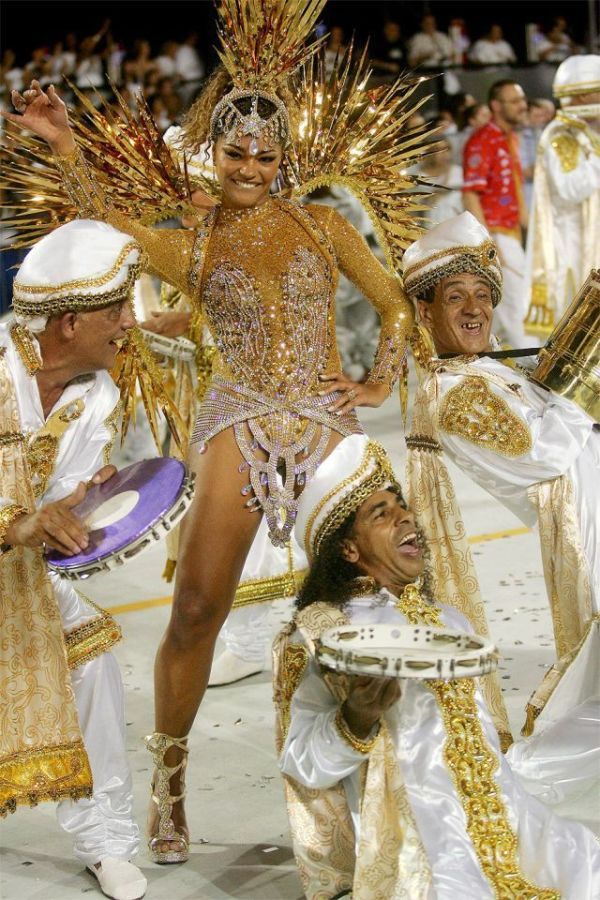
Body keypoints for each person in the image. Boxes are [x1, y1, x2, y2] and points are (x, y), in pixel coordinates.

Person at [5, 0, 415, 864]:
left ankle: (393, 766)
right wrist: (67, 148)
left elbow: (392, 303)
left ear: (284, 157)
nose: (253, 167)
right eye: (237, 152)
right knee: (194, 609)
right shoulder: (192, 244)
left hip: (326, 418)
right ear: (215, 152)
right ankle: (169, 787)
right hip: (236, 416)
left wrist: (376, 382)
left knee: (385, 589)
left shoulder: (323, 222)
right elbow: (109, 227)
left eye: (267, 155)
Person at [274, 434, 600, 899]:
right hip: (421, 844)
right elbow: (302, 762)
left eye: (400, 505)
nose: (405, 516)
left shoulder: (448, 619)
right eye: (380, 514)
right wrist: (356, 720)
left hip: (506, 818)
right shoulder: (327, 632)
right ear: (348, 550)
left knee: (586, 863)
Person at [402, 211, 599, 768]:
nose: (474, 309)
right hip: (589, 535)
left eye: (483, 294)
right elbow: (540, 450)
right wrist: (580, 363)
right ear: (425, 310)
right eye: (455, 296)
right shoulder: (451, 394)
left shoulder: (492, 369)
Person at [0, 220, 147, 900]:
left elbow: (56, 513)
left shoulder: (99, 395)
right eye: (116, 309)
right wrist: (21, 521)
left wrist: (82, 513)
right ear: (66, 322)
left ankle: (106, 840)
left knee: (92, 661)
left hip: (18, 577)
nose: (129, 322)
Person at [525, 56, 600, 332]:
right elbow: (571, 189)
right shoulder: (562, 135)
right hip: (570, 245)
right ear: (582, 95)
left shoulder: (587, 134)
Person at [463, 79, 529, 347]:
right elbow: (470, 194)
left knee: (507, 312)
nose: (522, 106)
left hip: (512, 235)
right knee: (518, 308)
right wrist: (487, 243)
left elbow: (515, 190)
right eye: (515, 101)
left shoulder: (509, 138)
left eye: (522, 100)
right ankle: (532, 373)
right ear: (495, 106)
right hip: (498, 237)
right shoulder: (483, 140)